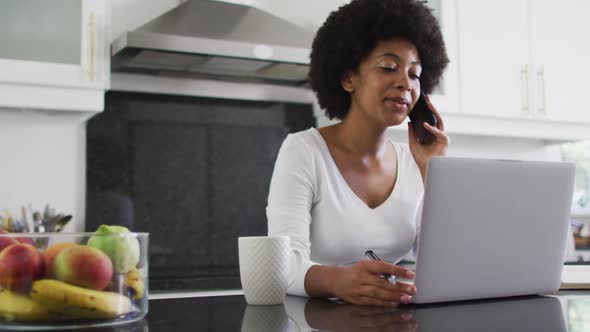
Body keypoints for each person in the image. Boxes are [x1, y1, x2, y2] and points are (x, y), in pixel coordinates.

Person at [266, 0, 450, 306]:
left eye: (415, 74)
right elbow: (282, 264)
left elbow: (445, 264)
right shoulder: (304, 151)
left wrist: (433, 172)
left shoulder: (414, 161)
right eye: (388, 67)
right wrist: (338, 281)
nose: (405, 82)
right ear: (348, 77)